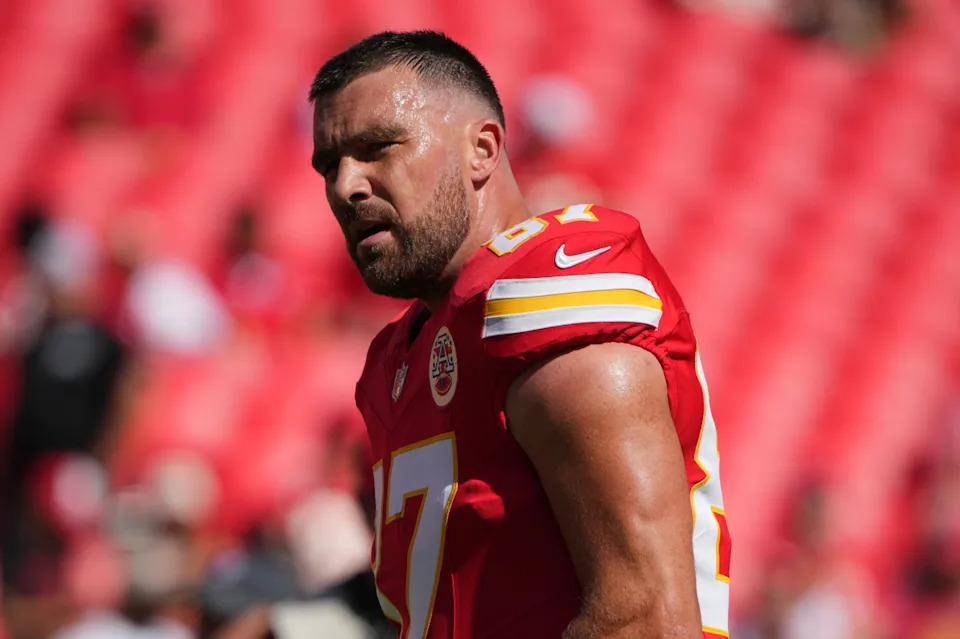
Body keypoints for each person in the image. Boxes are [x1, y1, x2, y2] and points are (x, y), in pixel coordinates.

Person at [309, 31, 731, 638]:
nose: (346, 185)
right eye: (330, 166)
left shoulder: (548, 301)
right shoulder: (401, 357)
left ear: (482, 150)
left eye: (377, 148)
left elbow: (642, 620)